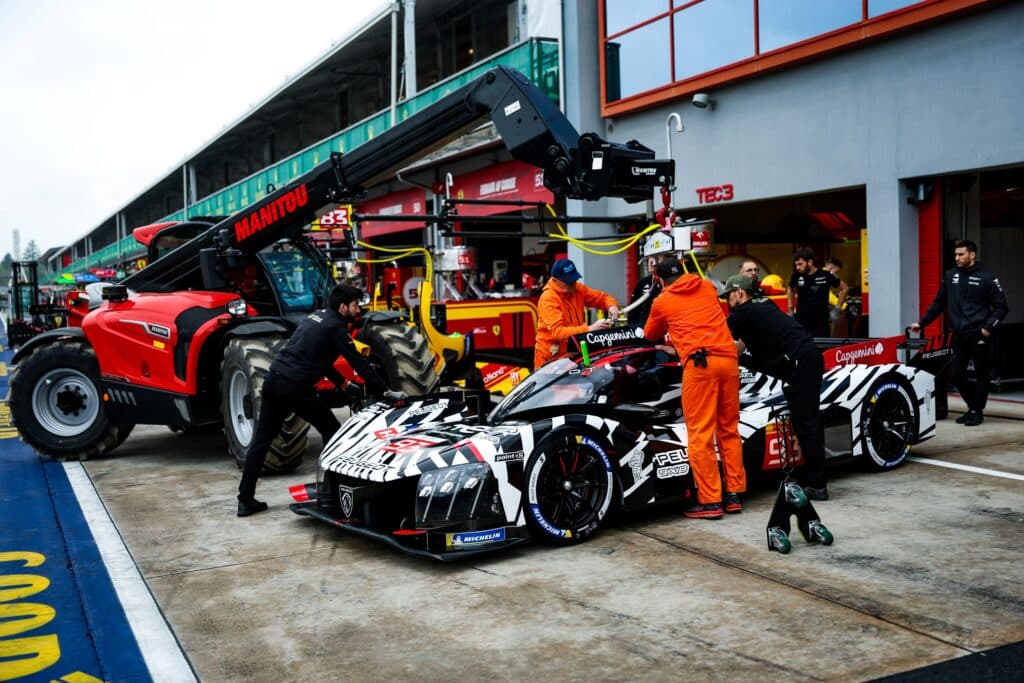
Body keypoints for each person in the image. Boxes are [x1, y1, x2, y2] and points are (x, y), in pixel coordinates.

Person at [237, 284, 404, 516]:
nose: (358, 310)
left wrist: (343, 384)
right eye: (355, 305)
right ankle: (333, 491)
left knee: (261, 441)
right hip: (295, 387)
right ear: (343, 306)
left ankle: (245, 500)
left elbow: (318, 356)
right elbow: (358, 362)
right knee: (332, 430)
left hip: (274, 380)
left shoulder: (316, 316)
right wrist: (385, 392)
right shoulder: (336, 326)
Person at [644, 256, 746, 519]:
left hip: (700, 365)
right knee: (729, 429)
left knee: (700, 433)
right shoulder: (706, 287)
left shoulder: (662, 301)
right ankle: (734, 495)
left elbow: (650, 334)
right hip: (728, 360)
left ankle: (711, 501)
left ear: (659, 279)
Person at [723, 275, 829, 500]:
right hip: (807, 358)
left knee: (807, 424)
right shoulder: (763, 306)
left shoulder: (744, 313)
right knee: (807, 422)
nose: (726, 302)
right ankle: (814, 479)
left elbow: (716, 336)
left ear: (740, 293)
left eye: (729, 296)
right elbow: (739, 347)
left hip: (801, 361)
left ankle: (817, 485)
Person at [909, 240, 1008, 426]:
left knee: (981, 374)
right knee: (956, 375)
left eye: (961, 254)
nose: (956, 258)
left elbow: (1002, 308)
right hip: (958, 334)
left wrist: (987, 329)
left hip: (980, 334)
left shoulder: (987, 277)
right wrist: (922, 323)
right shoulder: (951, 275)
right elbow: (939, 303)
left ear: (972, 255)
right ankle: (974, 407)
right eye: (955, 254)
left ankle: (975, 411)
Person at [534, 258, 620, 369]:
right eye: (569, 281)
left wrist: (611, 305)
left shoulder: (577, 289)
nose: (573, 284)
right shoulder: (548, 299)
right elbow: (559, 332)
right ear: (556, 281)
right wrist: (589, 329)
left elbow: (601, 298)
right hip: (550, 358)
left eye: (574, 279)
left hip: (573, 354)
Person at [788, 247, 848, 337]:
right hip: (801, 324)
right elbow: (790, 289)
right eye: (796, 264)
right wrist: (790, 309)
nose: (797, 267)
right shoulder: (796, 275)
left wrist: (837, 309)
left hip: (821, 325)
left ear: (810, 262)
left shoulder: (825, 275)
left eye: (800, 264)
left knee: (822, 350)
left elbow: (845, 288)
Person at [627, 255, 662, 326]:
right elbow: (633, 309)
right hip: (643, 327)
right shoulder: (642, 282)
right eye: (650, 257)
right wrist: (632, 329)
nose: (651, 261)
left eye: (656, 257)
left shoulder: (669, 282)